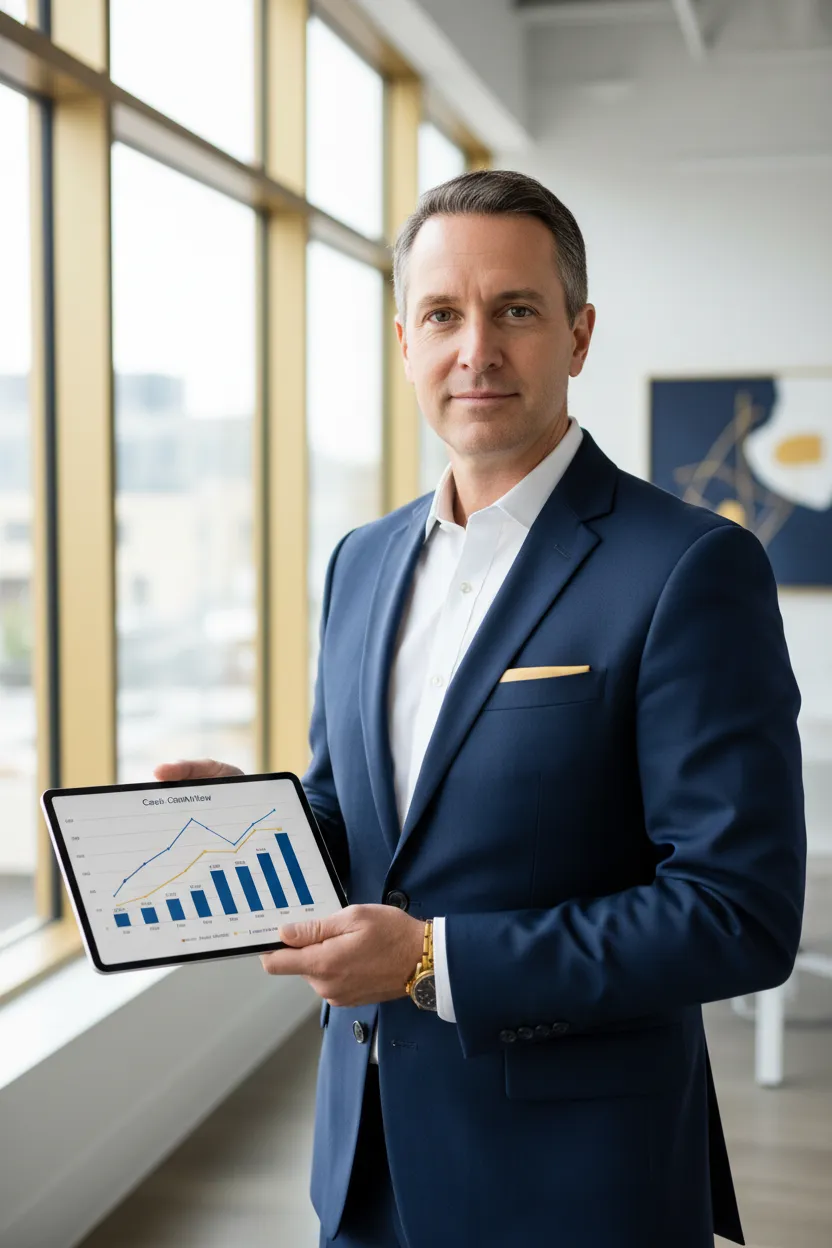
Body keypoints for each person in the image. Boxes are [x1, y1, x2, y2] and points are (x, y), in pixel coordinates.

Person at [156, 170, 806, 1248]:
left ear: (578, 335)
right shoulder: (360, 563)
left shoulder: (692, 567)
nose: (476, 351)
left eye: (515, 311)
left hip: (575, 1182)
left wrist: (430, 960)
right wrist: (257, 824)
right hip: (364, 1160)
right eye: (442, 316)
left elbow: (737, 914)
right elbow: (360, 819)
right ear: (403, 340)